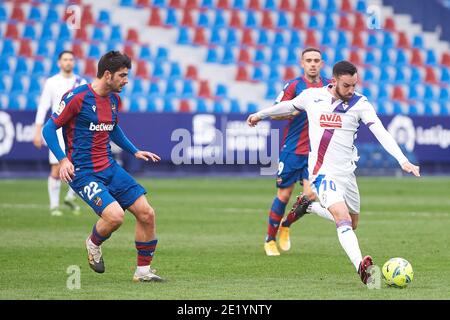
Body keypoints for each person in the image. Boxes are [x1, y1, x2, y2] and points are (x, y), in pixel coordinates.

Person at [247, 60, 420, 284]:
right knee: (343, 218)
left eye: (354, 85)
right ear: (334, 81)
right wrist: (260, 115)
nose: (351, 90)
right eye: (346, 85)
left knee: (352, 223)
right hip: (322, 173)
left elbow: (381, 131)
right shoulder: (313, 97)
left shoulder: (360, 103)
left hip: (347, 174)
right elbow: (288, 107)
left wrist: (402, 160)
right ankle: (362, 268)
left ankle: (308, 206)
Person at [42, 51, 163, 282]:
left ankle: (143, 272)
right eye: (123, 75)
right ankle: (93, 242)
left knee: (147, 213)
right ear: (108, 75)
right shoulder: (76, 97)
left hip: (109, 167)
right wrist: (63, 159)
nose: (126, 80)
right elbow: (49, 129)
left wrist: (134, 150)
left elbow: (113, 127)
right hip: (83, 173)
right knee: (115, 216)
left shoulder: (114, 100)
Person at [264, 47, 335, 256]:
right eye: (309, 60)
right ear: (302, 64)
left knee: (310, 196)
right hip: (293, 149)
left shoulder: (329, 87)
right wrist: (295, 109)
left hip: (315, 153)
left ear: (321, 64)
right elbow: (275, 112)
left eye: (316, 60)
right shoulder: (294, 86)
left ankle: (286, 224)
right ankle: (269, 239)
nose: (313, 64)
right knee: (284, 195)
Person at [33, 50, 86, 216]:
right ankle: (54, 206)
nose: (68, 62)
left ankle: (70, 197)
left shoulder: (81, 82)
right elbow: (43, 106)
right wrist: (37, 131)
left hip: (77, 131)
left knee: (81, 167)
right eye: (65, 59)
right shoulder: (51, 82)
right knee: (57, 168)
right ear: (59, 63)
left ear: (74, 62)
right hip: (57, 130)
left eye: (71, 59)